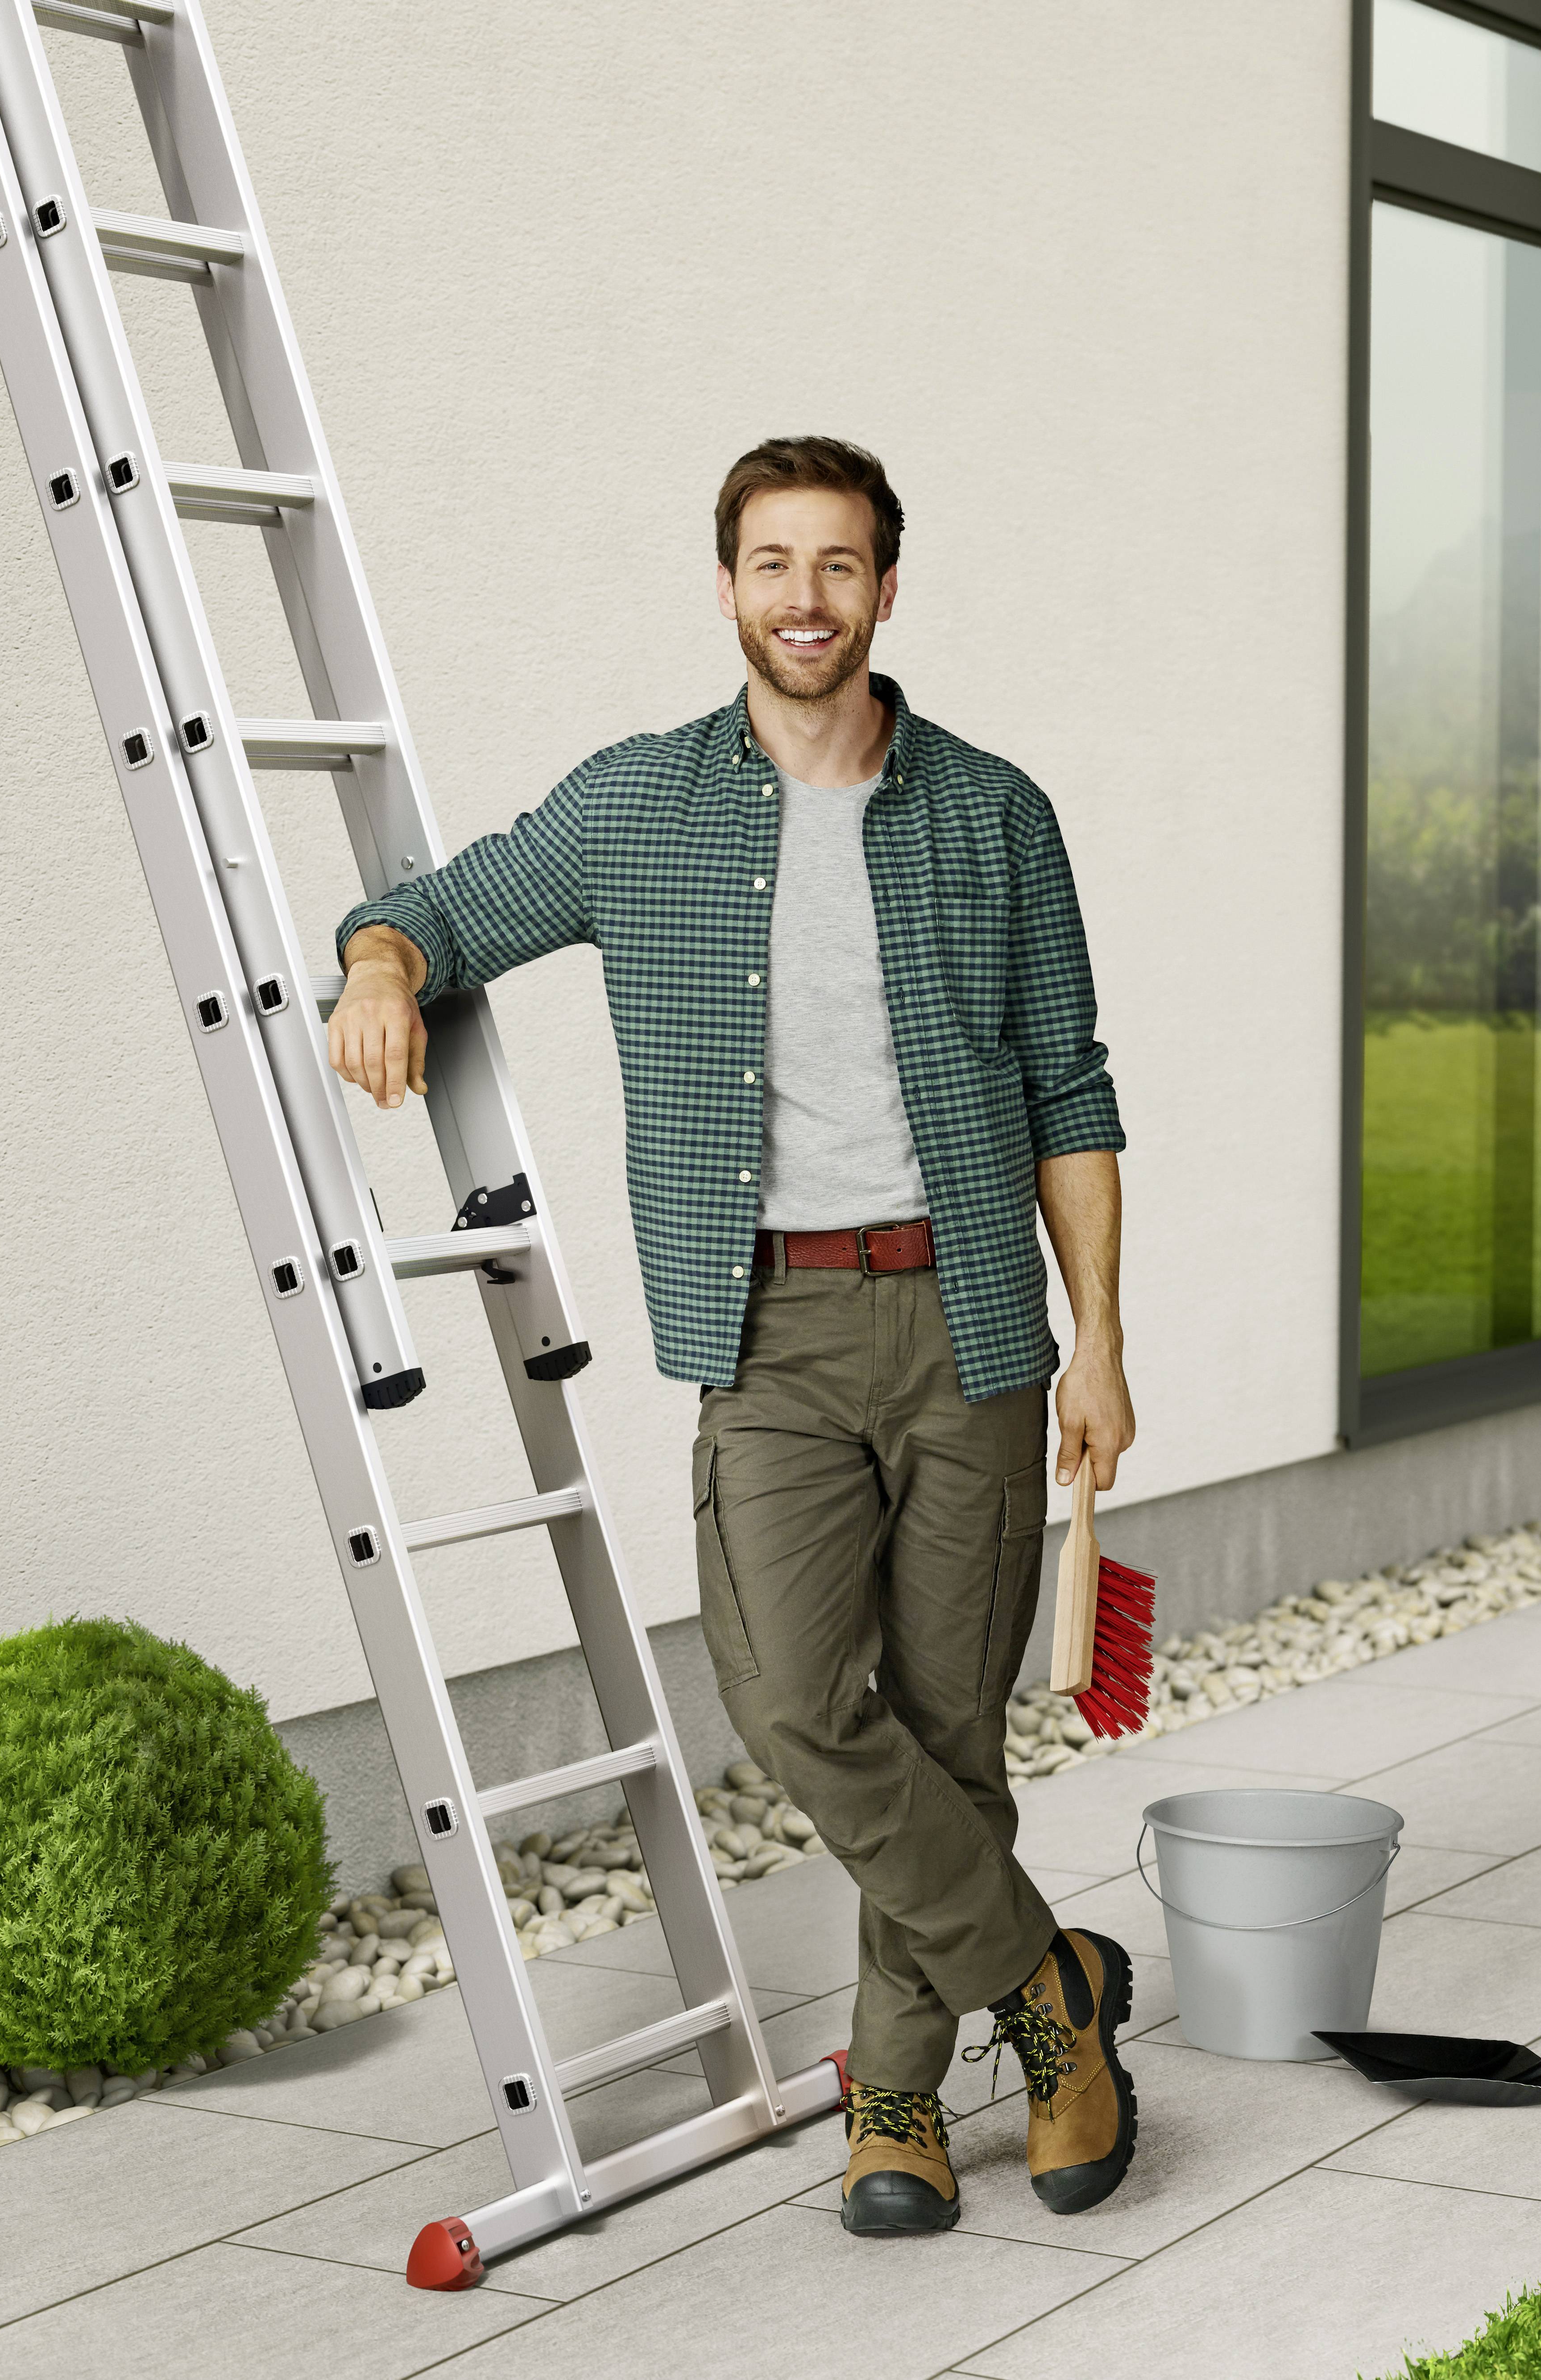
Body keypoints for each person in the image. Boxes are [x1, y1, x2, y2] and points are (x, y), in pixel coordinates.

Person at [325, 435, 1138, 2236]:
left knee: (946, 1723)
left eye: (836, 565)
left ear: (884, 589)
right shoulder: (640, 806)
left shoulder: (993, 811)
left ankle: (900, 2106)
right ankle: (1050, 1993)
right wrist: (380, 967)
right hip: (759, 1324)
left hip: (976, 1321)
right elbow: (439, 910)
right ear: (723, 584)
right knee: (784, 1697)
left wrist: (1096, 1339)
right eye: (770, 562)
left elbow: (1070, 1083)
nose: (801, 597)